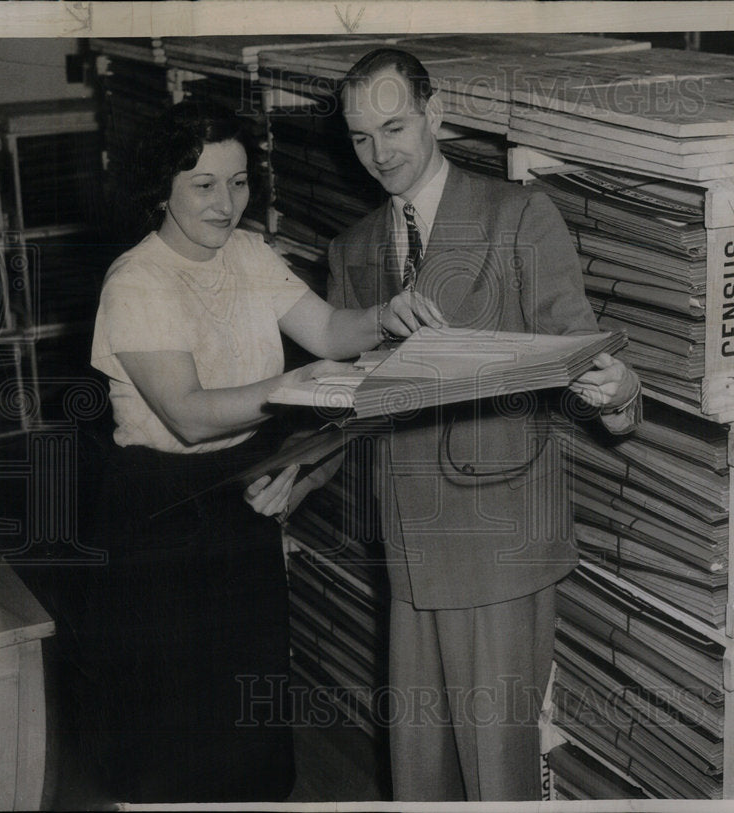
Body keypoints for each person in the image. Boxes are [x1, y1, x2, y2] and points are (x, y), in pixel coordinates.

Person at [80, 99, 442, 803]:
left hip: (239, 496)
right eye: (204, 185)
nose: (226, 202)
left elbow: (331, 331)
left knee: (250, 707)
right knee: (172, 719)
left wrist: (385, 314)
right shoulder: (137, 282)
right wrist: (288, 385)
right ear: (163, 187)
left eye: (240, 181)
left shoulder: (247, 253)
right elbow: (186, 416)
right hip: (157, 507)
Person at [328, 48, 641, 802]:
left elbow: (583, 345)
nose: (380, 153)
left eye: (395, 126)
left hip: (500, 540)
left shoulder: (517, 215)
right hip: (407, 544)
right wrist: (299, 462)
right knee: (419, 766)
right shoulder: (353, 248)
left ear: (437, 114)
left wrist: (619, 391)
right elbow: (348, 402)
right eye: (361, 137)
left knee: (499, 771)